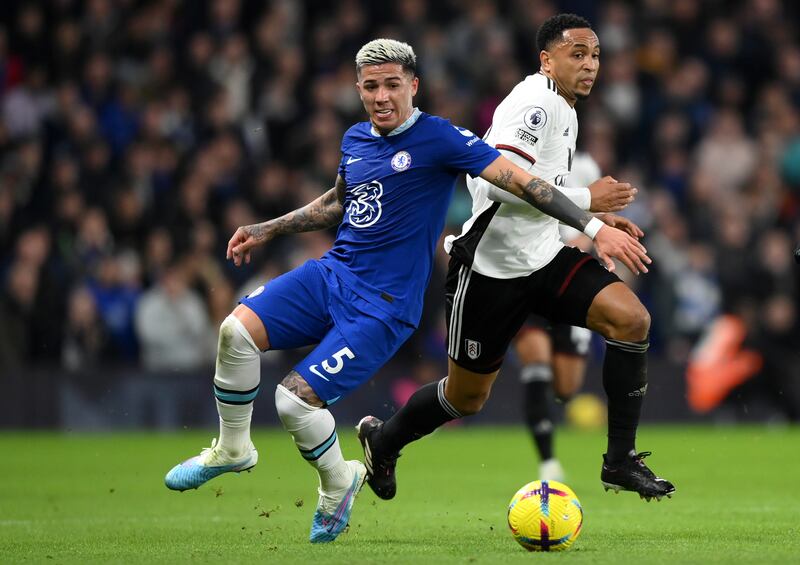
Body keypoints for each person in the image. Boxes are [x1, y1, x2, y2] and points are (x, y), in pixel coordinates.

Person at [163, 38, 646, 544]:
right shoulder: (355, 138)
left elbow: (524, 184)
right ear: (358, 89)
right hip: (332, 274)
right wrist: (269, 228)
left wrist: (591, 226)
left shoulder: (442, 139)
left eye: (393, 84)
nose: (381, 96)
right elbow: (340, 201)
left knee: (293, 403)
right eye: (371, 86)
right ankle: (232, 448)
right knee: (234, 333)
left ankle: (339, 480)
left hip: (383, 307)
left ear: (413, 86)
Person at [357, 15, 675, 505]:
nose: (590, 65)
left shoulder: (565, 107)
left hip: (544, 255)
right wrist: (589, 210)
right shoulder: (534, 105)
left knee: (631, 320)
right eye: (577, 55)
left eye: (594, 56)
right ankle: (383, 441)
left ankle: (619, 460)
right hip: (489, 269)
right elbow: (497, 184)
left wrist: (594, 218)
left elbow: (544, 189)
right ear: (547, 59)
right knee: (467, 398)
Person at [516, 152, 599, 483]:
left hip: (569, 278)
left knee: (566, 388)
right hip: (528, 274)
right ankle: (547, 459)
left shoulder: (585, 165)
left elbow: (595, 217)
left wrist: (586, 238)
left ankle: (546, 416)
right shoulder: (523, 155)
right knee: (536, 358)